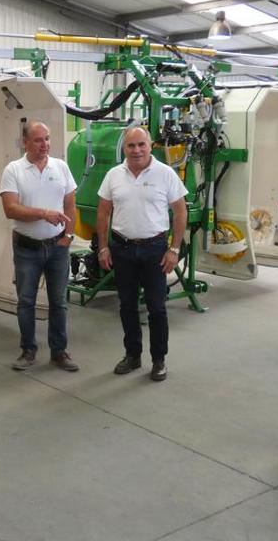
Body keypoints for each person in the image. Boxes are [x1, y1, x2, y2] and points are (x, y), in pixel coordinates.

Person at [96, 126, 187, 382]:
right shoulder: (114, 174)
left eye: (141, 145)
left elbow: (180, 213)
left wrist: (174, 249)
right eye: (131, 146)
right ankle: (132, 355)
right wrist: (103, 246)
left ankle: (159, 360)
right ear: (124, 148)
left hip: (155, 250)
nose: (136, 150)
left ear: (150, 146)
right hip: (122, 249)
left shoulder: (165, 174)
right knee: (126, 306)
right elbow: (103, 212)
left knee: (157, 307)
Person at [0, 120, 79, 372]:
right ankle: (28, 350)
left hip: (57, 247)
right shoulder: (13, 170)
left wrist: (69, 236)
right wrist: (44, 213)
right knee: (26, 301)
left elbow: (70, 204)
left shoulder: (61, 167)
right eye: (38, 140)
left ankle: (59, 352)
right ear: (25, 142)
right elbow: (10, 209)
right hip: (27, 248)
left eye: (47, 139)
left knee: (59, 302)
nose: (44, 144)